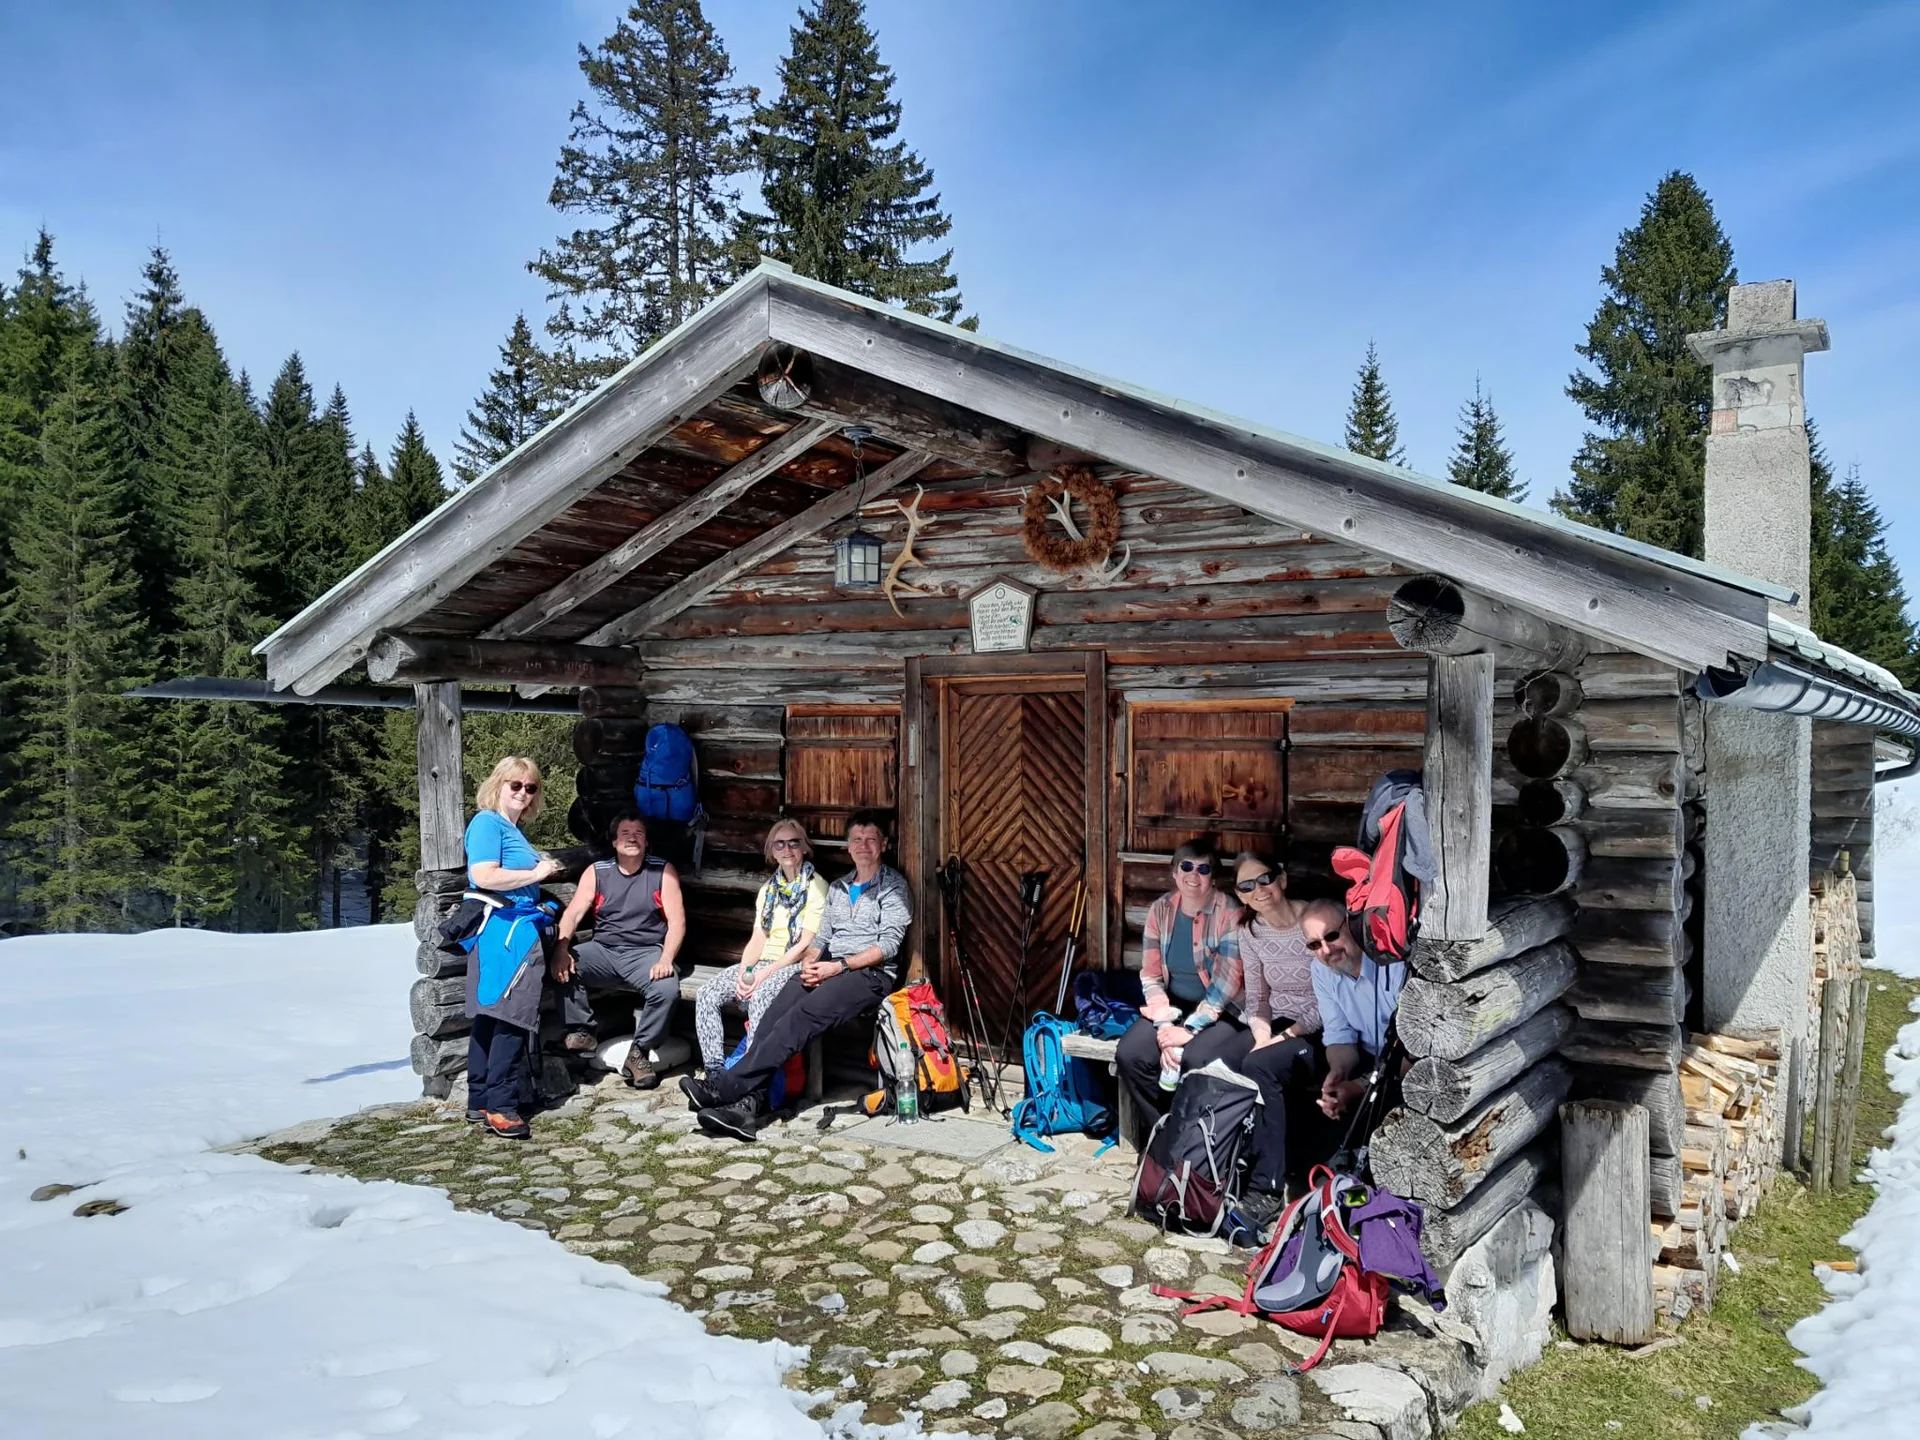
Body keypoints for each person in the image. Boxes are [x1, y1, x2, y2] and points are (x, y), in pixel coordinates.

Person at [679, 809, 909, 1141]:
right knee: (772, 1015)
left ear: (883, 844)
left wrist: (839, 966)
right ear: (848, 846)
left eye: (871, 839)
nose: (863, 846)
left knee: (800, 1017)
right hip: (828, 968)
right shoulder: (840, 888)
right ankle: (747, 1107)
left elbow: (888, 946)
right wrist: (811, 963)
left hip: (868, 976)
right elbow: (822, 940)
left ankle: (724, 1088)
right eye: (857, 839)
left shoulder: (893, 887)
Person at [1113, 839, 1249, 1125]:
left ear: (1213, 878)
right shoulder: (1160, 910)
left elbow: (1226, 985)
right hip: (1174, 1005)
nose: (1193, 875)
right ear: (1174, 873)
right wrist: (1164, 1025)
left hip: (1222, 1011)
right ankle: (1163, 1131)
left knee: (1195, 1059)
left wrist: (1187, 1031)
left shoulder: (1230, 913)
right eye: (1186, 867)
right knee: (1130, 1054)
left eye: (1203, 869)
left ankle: (1192, 1141)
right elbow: (1150, 975)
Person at [463, 756, 563, 1140]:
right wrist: (536, 873)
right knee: (512, 1016)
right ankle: (502, 1107)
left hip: (510, 930)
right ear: (497, 785)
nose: (523, 792)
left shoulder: (509, 828)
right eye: (515, 785)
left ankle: (480, 1099)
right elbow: (483, 874)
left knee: (491, 1015)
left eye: (531, 787)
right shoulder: (487, 822)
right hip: (505, 933)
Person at [552, 811, 687, 1091]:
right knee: (562, 965)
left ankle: (639, 1054)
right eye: (625, 833)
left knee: (666, 990)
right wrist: (561, 947)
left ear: (647, 842)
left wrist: (666, 958)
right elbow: (574, 911)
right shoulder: (597, 872)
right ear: (614, 842)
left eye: (638, 834)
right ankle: (582, 1031)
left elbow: (677, 921)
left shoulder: (662, 871)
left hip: (646, 952)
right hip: (604, 950)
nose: (632, 838)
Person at [693, 818, 829, 1074]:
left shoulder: (817, 887)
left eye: (793, 843)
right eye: (779, 844)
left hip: (793, 966)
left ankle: (749, 1072)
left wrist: (764, 975)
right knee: (707, 994)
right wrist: (746, 974)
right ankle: (714, 1069)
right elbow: (759, 937)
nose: (786, 849)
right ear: (771, 851)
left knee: (761, 1001)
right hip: (763, 965)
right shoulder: (769, 890)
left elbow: (805, 944)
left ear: (804, 848)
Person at [1231, 853, 1325, 1218]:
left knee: (1259, 1067)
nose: (1259, 890)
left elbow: (1330, 998)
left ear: (1283, 879)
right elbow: (1257, 998)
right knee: (1215, 1059)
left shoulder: (1315, 921)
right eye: (1246, 885)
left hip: (1319, 1028)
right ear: (1240, 895)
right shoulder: (1250, 932)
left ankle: (1266, 1188)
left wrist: (1283, 1038)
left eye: (1265, 879)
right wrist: (1261, 1035)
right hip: (1277, 1023)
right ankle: (1222, 1164)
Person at [1303, 898, 1406, 1127]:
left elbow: (1414, 1052)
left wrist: (1358, 1086)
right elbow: (1339, 1034)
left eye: (1331, 936)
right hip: (1371, 1062)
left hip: (1408, 1067)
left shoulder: (1394, 962)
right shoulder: (1321, 969)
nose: (1327, 950)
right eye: (1315, 945)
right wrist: (1339, 1072)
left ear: (1353, 925)